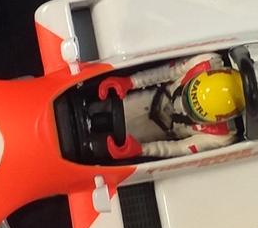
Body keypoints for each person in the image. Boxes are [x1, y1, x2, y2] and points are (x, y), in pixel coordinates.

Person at [98, 52, 245, 159]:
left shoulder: (222, 136)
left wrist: (142, 150)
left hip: (165, 129)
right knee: (104, 105)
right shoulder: (204, 62)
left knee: (108, 146)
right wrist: (131, 82)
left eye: (192, 111)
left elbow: (180, 148)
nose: (179, 106)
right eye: (187, 97)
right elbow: (168, 72)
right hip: (158, 96)